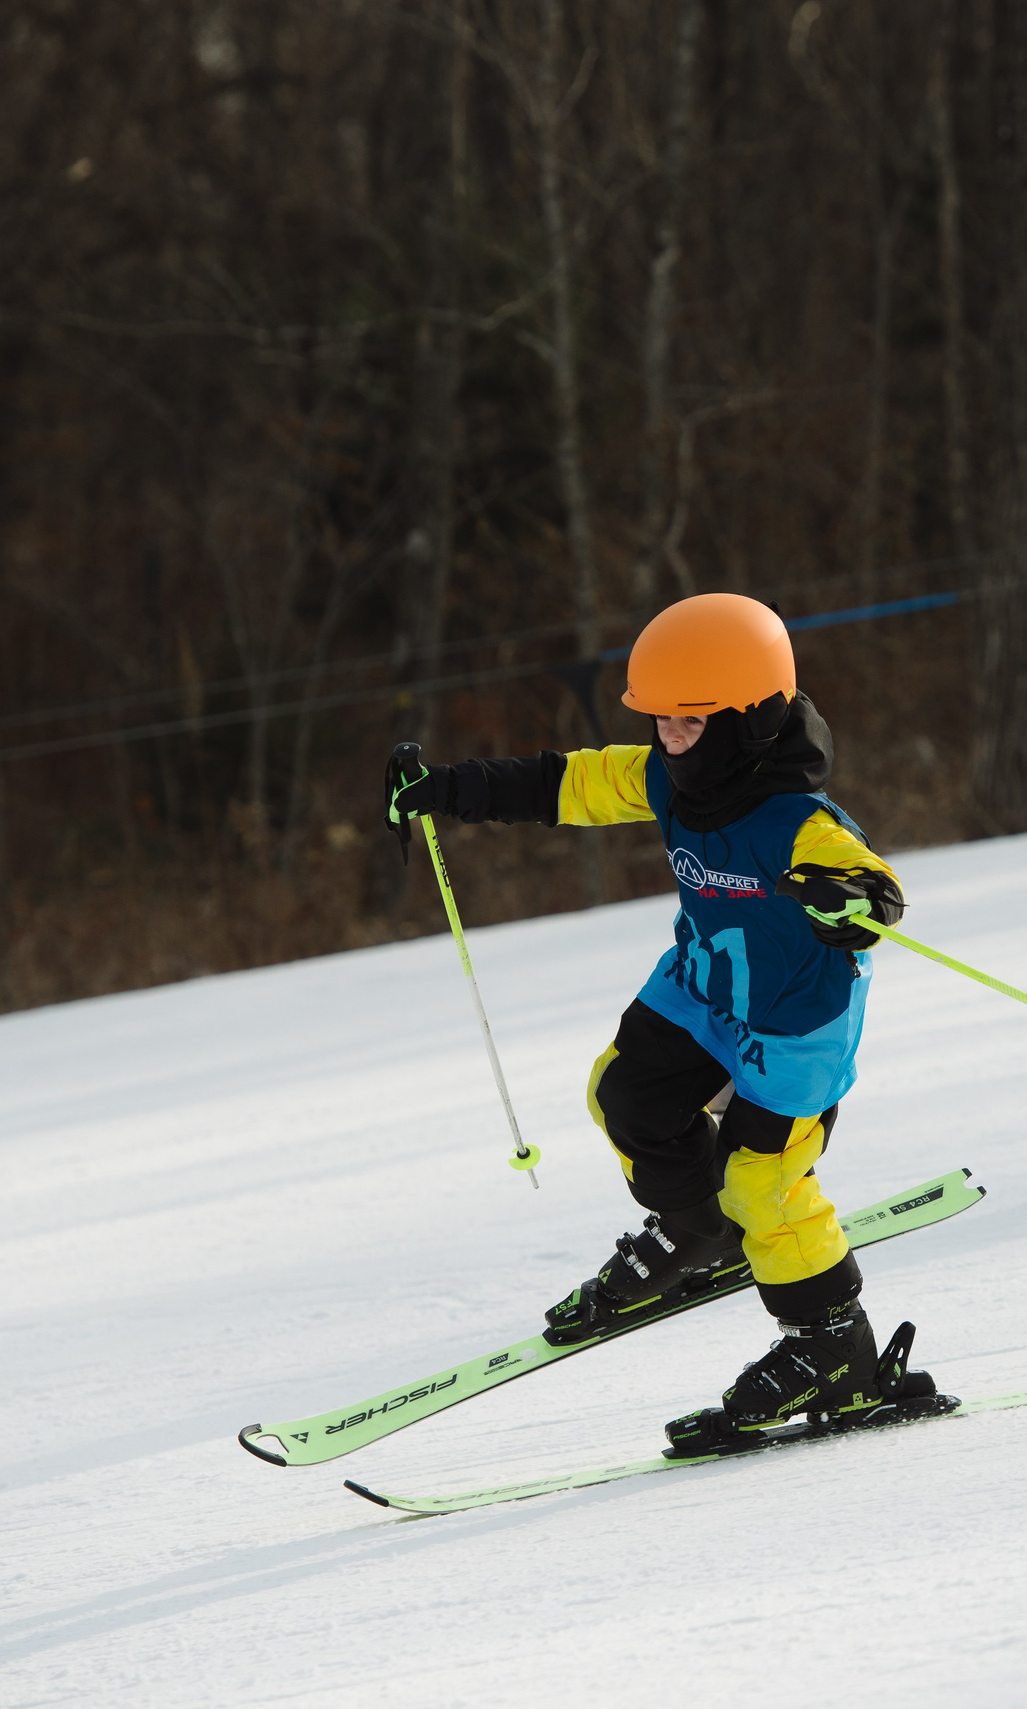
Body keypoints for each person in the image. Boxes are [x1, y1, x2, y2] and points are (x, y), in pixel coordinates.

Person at [383, 592, 909, 1451]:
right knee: (621, 1093)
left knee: (762, 1184)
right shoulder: (668, 776)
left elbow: (876, 891)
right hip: (701, 994)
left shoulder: (800, 824)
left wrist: (851, 902)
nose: (667, 738)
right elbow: (570, 783)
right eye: (659, 719)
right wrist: (447, 789)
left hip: (789, 1030)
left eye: (688, 723)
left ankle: (834, 1347)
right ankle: (701, 1232)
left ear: (750, 719)